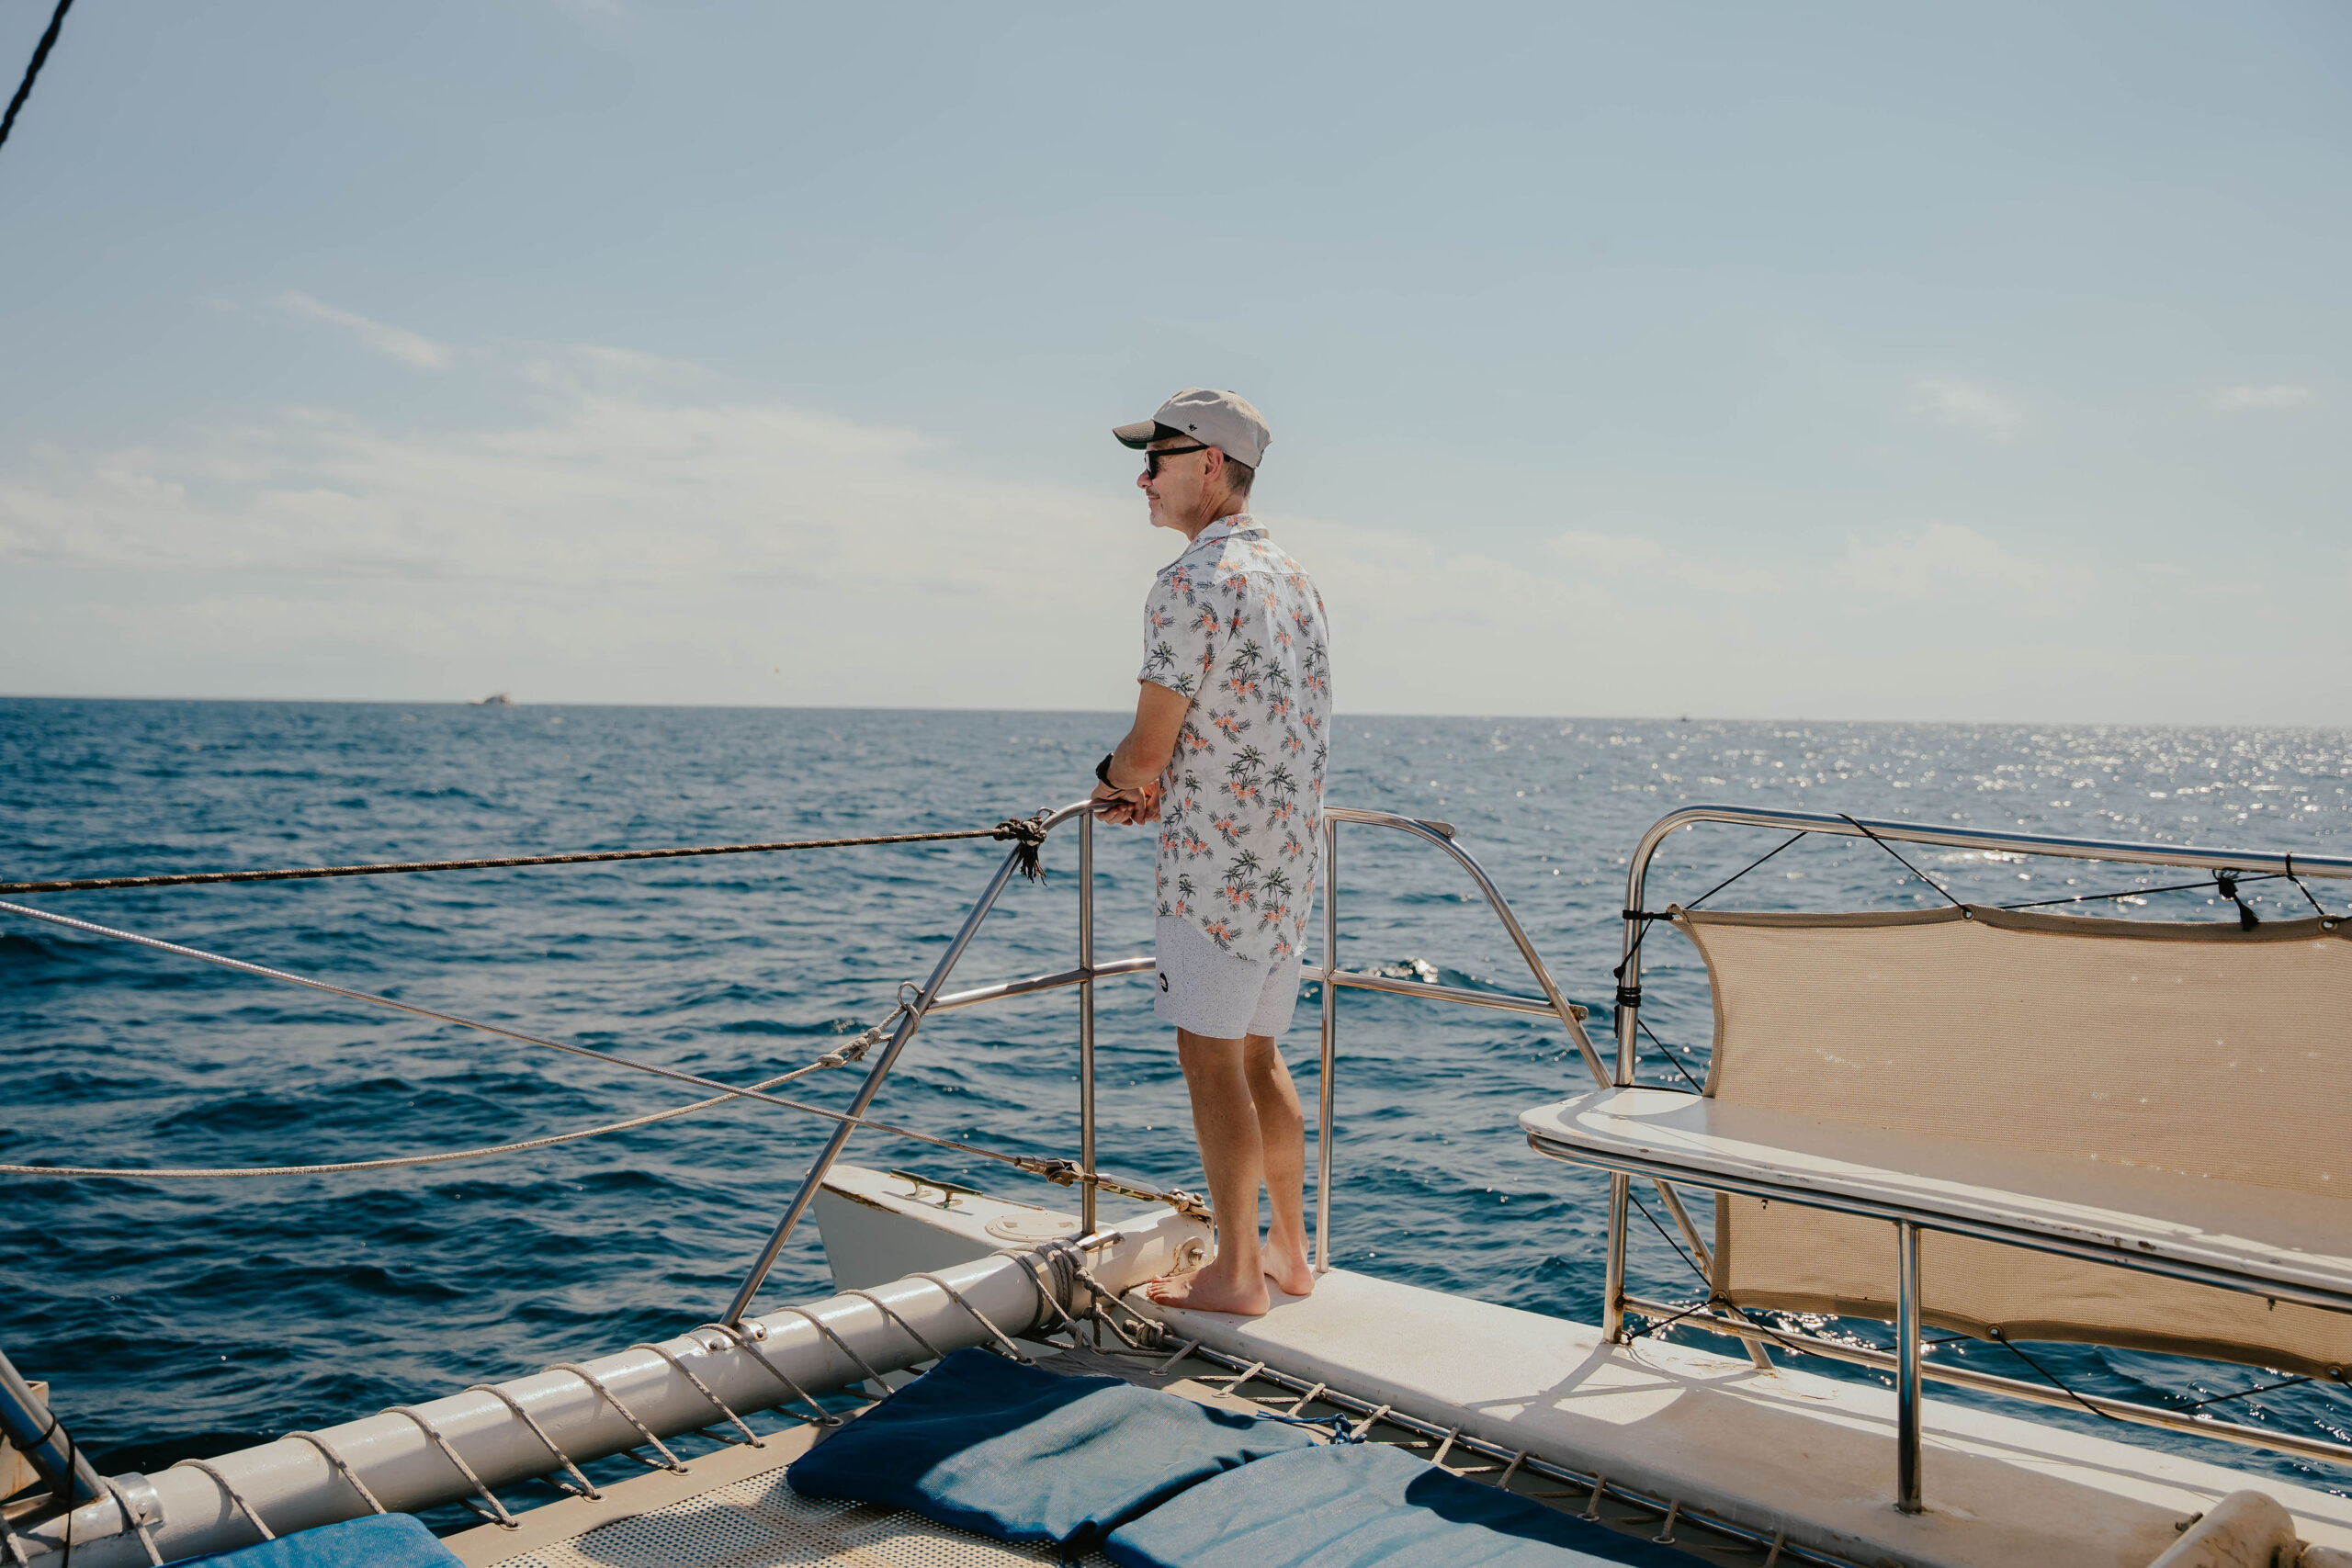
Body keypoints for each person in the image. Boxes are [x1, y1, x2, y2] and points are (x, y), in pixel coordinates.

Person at [1090, 388, 1331, 1317]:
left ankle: (1234, 1274)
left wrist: (1116, 779)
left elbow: (1146, 751)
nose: (1142, 477)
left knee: (1212, 1062)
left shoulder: (1189, 583)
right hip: (1283, 868)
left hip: (1214, 873)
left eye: (1157, 457)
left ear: (1210, 466)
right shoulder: (1294, 580)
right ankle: (1286, 1253)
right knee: (1262, 1058)